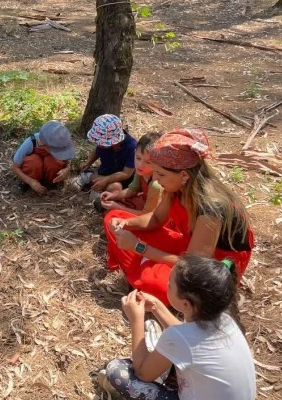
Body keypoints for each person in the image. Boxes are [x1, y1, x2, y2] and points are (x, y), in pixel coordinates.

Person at [102, 256, 256, 400]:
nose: (166, 285)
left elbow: (143, 373)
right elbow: (187, 339)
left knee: (116, 370)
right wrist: (158, 307)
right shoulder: (226, 320)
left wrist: (136, 320)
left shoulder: (178, 338)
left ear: (185, 304)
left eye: (169, 285)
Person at [104, 129, 253, 304]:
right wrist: (126, 223)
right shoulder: (176, 187)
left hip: (212, 263)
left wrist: (138, 247)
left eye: (161, 174)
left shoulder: (210, 209)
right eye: (155, 172)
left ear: (183, 175)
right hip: (189, 246)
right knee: (112, 217)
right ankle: (145, 270)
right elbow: (156, 219)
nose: (156, 179)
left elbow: (194, 266)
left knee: (159, 286)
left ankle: (144, 271)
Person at [99, 132, 163, 217]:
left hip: (153, 214)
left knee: (113, 215)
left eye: (148, 162)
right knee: (113, 205)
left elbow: (147, 215)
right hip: (143, 202)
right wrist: (113, 196)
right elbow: (133, 190)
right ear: (135, 152)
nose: (140, 165)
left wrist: (117, 207)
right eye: (138, 158)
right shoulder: (141, 171)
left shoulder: (156, 184)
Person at [72, 114, 137, 194]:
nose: (99, 144)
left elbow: (126, 173)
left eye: (102, 143)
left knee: (116, 187)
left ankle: (92, 181)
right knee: (115, 187)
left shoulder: (131, 147)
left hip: (124, 180)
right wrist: (88, 162)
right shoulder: (103, 146)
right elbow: (97, 151)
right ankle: (88, 177)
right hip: (104, 174)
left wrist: (106, 180)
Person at [11, 120, 75, 194]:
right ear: (44, 145)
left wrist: (66, 170)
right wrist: (30, 181)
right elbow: (14, 167)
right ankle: (26, 182)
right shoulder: (30, 143)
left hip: (49, 171)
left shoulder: (59, 141)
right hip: (33, 172)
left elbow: (69, 162)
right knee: (33, 163)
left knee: (54, 162)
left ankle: (51, 183)